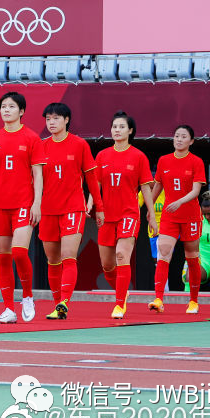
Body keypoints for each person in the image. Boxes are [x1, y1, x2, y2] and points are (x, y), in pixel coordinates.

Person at [0, 92, 45, 324]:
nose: (6, 110)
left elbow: (38, 174)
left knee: (19, 252)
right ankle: (8, 309)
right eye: (3, 106)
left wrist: (37, 203)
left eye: (11, 107)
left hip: (23, 203)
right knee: (3, 258)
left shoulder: (32, 138)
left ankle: (28, 296)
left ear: (21, 111)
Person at [37, 103, 102, 321]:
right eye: (48, 119)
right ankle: (58, 305)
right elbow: (33, 181)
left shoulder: (79, 144)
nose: (51, 122)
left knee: (68, 256)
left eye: (55, 118)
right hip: (47, 209)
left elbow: (92, 179)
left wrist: (98, 207)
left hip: (73, 207)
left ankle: (64, 302)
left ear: (66, 120)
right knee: (52, 259)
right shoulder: (41, 146)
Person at [95, 111, 154, 320]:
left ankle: (119, 304)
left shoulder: (138, 156)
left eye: (121, 126)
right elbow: (96, 185)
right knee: (107, 265)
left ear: (130, 130)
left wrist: (152, 216)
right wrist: (90, 204)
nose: (116, 130)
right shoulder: (102, 156)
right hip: (106, 215)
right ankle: (123, 291)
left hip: (129, 213)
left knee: (122, 255)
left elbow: (146, 188)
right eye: (114, 126)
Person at [149, 124, 206, 314]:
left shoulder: (196, 161)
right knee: (163, 252)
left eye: (183, 137)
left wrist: (179, 202)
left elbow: (196, 191)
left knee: (191, 257)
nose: (179, 139)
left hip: (190, 215)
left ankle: (194, 301)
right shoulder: (164, 161)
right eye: (176, 136)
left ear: (191, 141)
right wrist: (150, 208)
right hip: (169, 216)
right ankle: (158, 299)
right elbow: (157, 186)